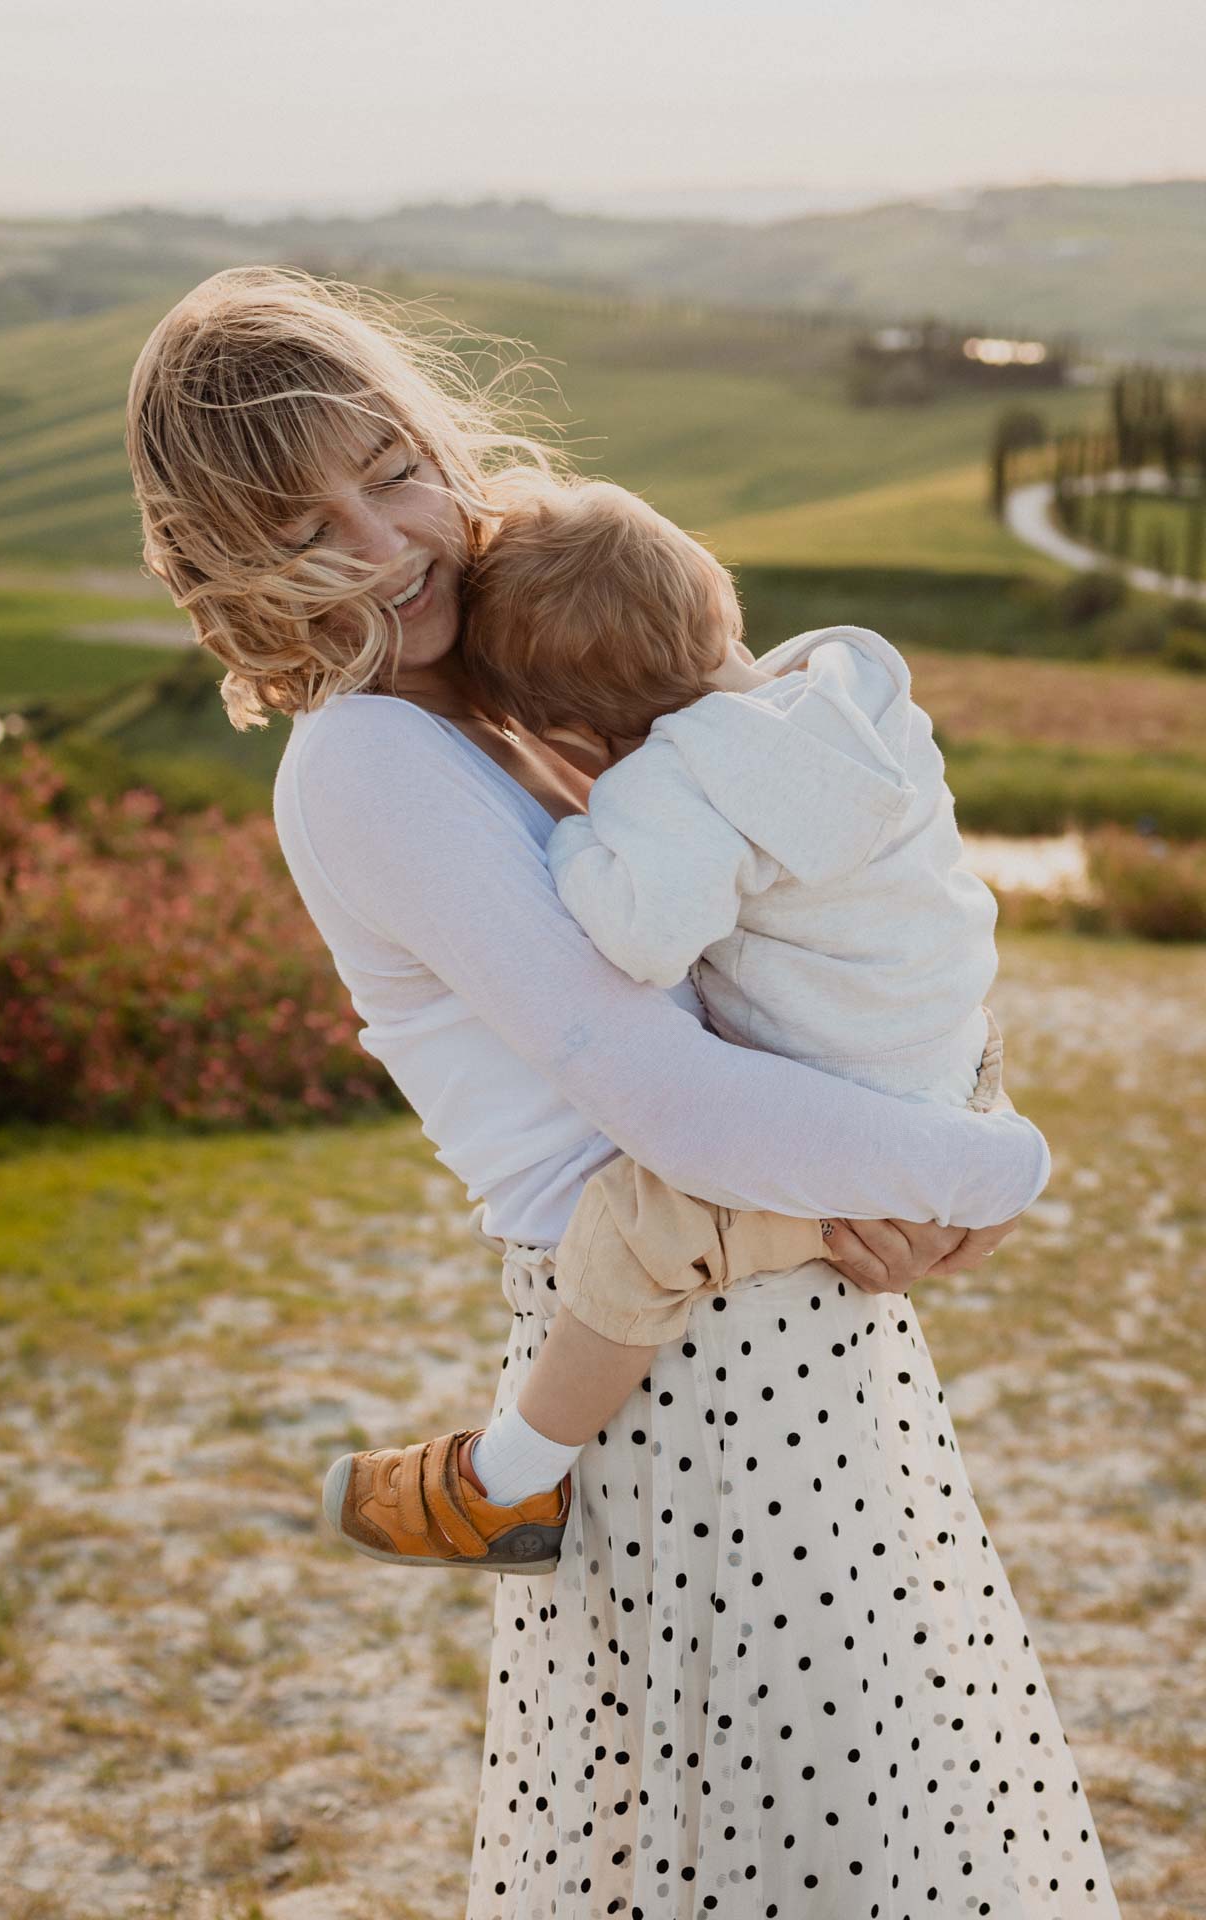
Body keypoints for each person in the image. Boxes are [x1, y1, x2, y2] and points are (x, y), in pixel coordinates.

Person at [125, 266, 1120, 1918]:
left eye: (393, 473)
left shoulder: (529, 698)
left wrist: (929, 1154)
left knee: (865, 1829)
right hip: (684, 1373)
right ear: (234, 570)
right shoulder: (372, 762)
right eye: (310, 526)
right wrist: (972, 1168)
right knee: (791, 1847)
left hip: (773, 1319)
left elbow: (812, 937)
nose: (387, 545)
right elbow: (665, 1099)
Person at [324, 474, 1017, 1561]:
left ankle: (505, 1481)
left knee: (636, 1238)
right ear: (714, 593)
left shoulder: (675, 783)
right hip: (948, 1042)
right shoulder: (849, 684)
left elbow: (638, 935)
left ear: (577, 733)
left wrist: (578, 836)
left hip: (850, 1098)